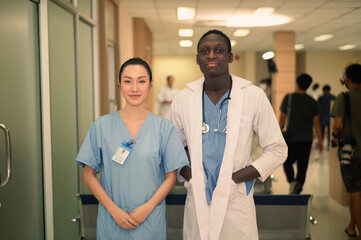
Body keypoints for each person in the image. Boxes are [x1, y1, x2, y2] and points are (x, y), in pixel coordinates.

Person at [169, 29, 288, 240]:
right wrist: (193, 178)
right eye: (205, 51)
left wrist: (235, 179)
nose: (212, 55)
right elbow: (171, 151)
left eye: (219, 50)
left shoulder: (253, 96)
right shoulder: (183, 98)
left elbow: (278, 150)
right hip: (198, 196)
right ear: (198, 59)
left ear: (230, 56)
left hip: (236, 197)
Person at [75, 58, 188, 239]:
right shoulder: (101, 126)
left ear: (150, 84)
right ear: (119, 84)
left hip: (150, 221)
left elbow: (171, 176)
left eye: (141, 81)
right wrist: (114, 210)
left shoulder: (164, 128)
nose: (134, 88)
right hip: (112, 222)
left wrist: (147, 208)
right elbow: (88, 175)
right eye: (128, 81)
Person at [279, 73, 323, 194]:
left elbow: (282, 117)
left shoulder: (289, 98)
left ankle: (292, 181)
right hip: (306, 139)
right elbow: (317, 123)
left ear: (297, 83)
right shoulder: (313, 102)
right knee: (303, 165)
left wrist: (278, 134)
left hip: (291, 138)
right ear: (308, 86)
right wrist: (320, 140)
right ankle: (298, 186)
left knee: (287, 161)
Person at [331, 63, 361, 240]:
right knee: (355, 192)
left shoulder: (344, 97)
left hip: (351, 154)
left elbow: (337, 125)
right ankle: (351, 226)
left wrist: (336, 136)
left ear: (347, 79)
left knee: (355, 192)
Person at [317, 84, 335, 149]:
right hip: (331, 118)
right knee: (330, 133)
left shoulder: (320, 98)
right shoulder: (333, 97)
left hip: (322, 117)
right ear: (329, 90)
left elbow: (318, 108)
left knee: (322, 131)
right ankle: (329, 145)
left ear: (323, 90)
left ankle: (321, 144)